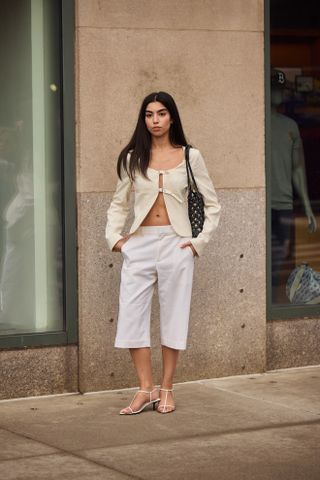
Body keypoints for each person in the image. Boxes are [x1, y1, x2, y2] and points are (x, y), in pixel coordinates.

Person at [105, 91, 221, 415]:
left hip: (176, 242)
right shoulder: (132, 158)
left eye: (161, 114)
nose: (155, 120)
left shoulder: (190, 156)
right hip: (139, 244)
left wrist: (198, 243)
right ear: (144, 119)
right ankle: (145, 388)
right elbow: (119, 203)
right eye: (149, 114)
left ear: (172, 117)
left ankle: (167, 388)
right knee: (131, 315)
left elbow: (212, 204)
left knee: (174, 315)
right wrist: (116, 239)